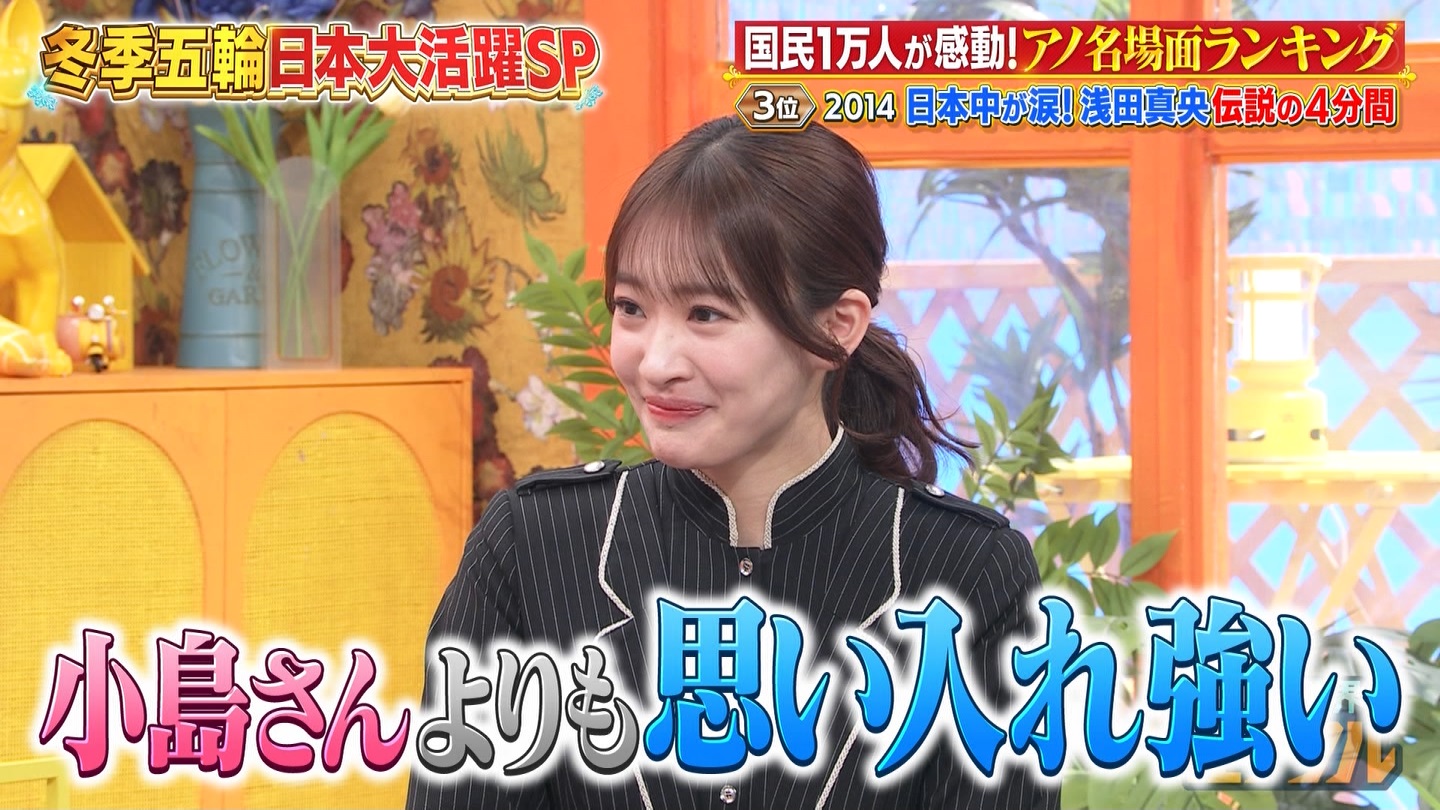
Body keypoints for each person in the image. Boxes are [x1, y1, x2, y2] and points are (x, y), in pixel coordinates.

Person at [406, 115, 1056, 810]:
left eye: (706, 314)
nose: (656, 363)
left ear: (836, 327)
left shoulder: (964, 572)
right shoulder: (533, 547)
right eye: (631, 308)